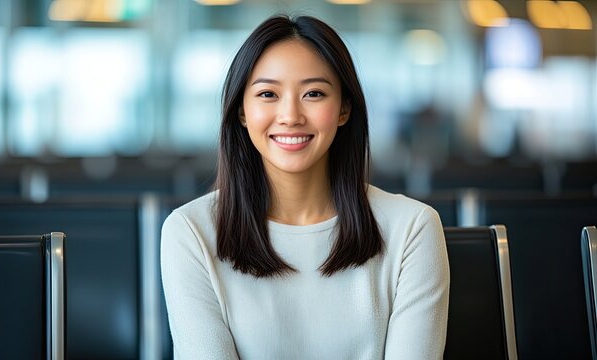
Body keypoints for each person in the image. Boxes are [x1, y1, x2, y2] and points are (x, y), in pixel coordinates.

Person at [161, 15, 450, 359]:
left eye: (314, 93)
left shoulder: (412, 228)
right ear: (241, 111)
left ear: (344, 108)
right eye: (268, 93)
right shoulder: (191, 232)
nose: (290, 115)